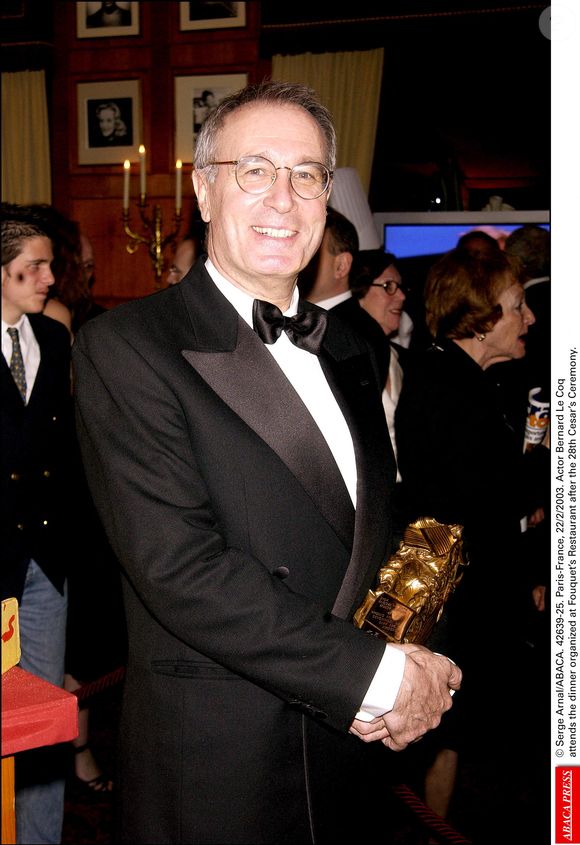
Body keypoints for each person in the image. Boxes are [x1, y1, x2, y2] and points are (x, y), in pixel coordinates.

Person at [72, 80, 461, 845]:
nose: (282, 198)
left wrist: (420, 652)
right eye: (255, 169)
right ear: (204, 189)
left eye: (306, 174)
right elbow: (181, 569)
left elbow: (371, 529)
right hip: (225, 753)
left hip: (356, 742)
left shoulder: (354, 346)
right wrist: (377, 676)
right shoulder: (126, 346)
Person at [394, 247, 544, 841]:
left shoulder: (466, 380)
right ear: (480, 317)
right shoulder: (450, 391)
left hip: (472, 596)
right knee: (451, 735)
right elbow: (482, 505)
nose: (529, 317)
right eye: (516, 306)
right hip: (460, 604)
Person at [1, 212, 76, 844]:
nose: (50, 277)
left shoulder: (54, 340)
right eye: (36, 264)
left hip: (46, 561)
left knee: (45, 721)